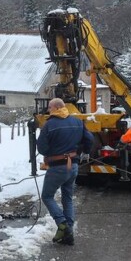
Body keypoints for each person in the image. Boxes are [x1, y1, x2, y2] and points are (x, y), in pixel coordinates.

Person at [35, 97, 96, 245]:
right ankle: (68, 232)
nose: (48, 110)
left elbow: (41, 148)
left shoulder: (49, 125)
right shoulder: (77, 122)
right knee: (67, 197)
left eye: (50, 107)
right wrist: (84, 151)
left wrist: (51, 152)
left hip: (57, 167)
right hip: (73, 166)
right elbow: (89, 138)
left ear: (56, 108)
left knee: (47, 196)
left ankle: (62, 225)